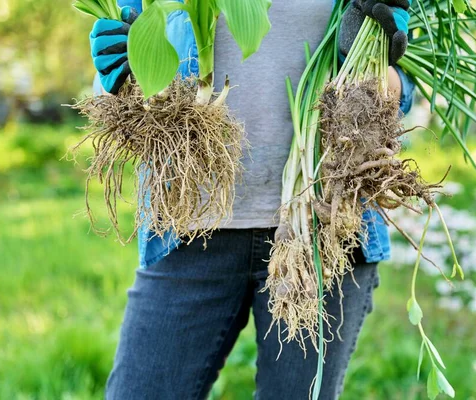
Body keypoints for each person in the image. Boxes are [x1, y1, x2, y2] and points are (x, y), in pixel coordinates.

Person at [89, 0, 415, 398]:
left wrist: (374, 61)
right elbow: (118, 80)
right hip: (189, 228)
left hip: (322, 228)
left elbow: (403, 90)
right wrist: (113, 72)